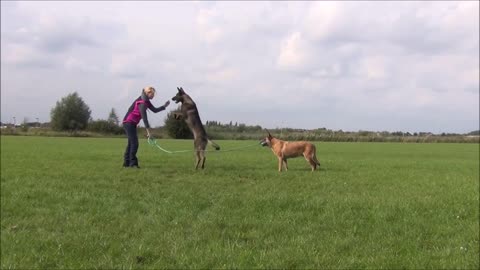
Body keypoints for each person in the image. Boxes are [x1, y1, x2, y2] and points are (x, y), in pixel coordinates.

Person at [122, 86, 170, 168]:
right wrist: (149, 133)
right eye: (152, 94)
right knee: (134, 143)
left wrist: (164, 106)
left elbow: (154, 110)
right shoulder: (142, 102)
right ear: (148, 93)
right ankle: (133, 164)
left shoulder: (146, 101)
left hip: (131, 123)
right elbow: (145, 119)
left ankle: (126, 163)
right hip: (128, 122)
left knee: (131, 143)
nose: (153, 96)